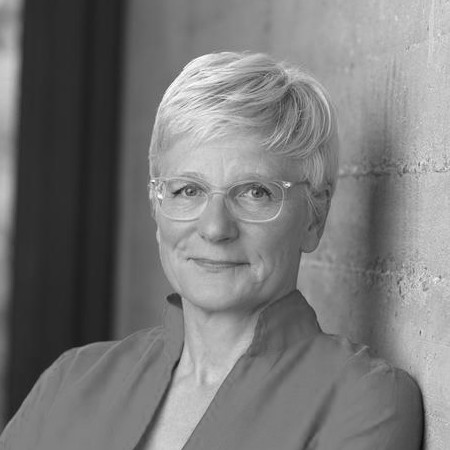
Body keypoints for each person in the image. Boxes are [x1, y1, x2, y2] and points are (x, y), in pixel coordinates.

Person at [0, 51, 423, 450]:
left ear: (315, 217)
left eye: (255, 192)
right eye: (188, 190)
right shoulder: (69, 383)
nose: (215, 228)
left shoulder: (363, 400)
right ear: (156, 207)